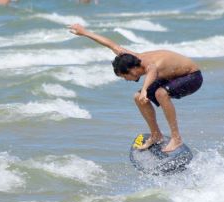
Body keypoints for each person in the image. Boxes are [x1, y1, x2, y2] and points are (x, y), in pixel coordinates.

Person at [69, 24, 203, 152]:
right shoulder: (130, 57)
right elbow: (110, 44)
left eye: (124, 77)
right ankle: (156, 134)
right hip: (171, 77)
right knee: (138, 97)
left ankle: (176, 138)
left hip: (192, 77)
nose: (126, 80)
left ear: (132, 70)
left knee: (161, 93)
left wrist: (145, 90)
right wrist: (84, 32)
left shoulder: (151, 64)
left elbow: (152, 71)